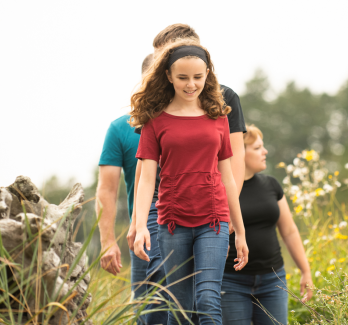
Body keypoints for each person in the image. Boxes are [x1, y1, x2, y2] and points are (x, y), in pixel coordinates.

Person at [126, 24, 247, 324]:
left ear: (207, 73)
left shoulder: (221, 111)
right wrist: (139, 223)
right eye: (182, 78)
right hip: (170, 218)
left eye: (197, 77)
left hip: (213, 216)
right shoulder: (155, 117)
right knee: (175, 305)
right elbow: (145, 175)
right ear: (167, 75)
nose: (191, 84)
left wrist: (238, 225)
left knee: (207, 298)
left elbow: (229, 172)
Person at [221, 125, 313, 325]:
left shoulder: (271, 185)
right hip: (231, 282)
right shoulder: (221, 189)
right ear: (238, 152)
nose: (265, 152)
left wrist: (305, 270)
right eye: (257, 148)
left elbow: (289, 232)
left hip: (273, 281)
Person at [95, 53, 155, 298]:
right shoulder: (120, 128)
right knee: (148, 313)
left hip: (195, 232)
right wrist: (108, 241)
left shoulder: (195, 123)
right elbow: (107, 190)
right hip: (144, 235)